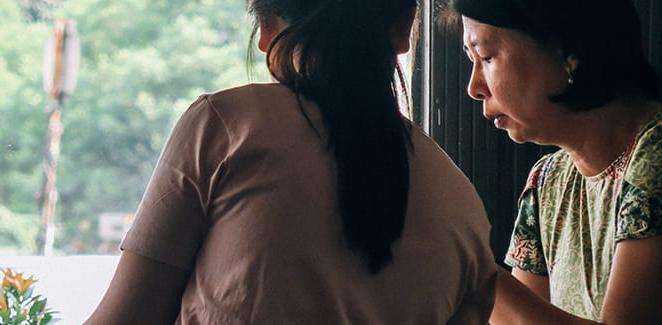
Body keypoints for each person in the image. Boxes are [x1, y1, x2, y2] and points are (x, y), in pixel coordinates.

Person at [86, 0, 497, 323]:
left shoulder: (227, 128)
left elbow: (127, 318)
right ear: (404, 29)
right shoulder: (462, 202)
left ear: (266, 30)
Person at [447, 0, 662, 323]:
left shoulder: (655, 153)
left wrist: (464, 261)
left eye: (487, 57)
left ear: (568, 51)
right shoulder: (547, 180)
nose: (474, 87)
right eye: (472, 60)